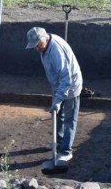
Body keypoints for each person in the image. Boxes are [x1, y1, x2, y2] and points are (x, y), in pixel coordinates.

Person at [25, 27, 82, 173]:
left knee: (69, 119)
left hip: (70, 87)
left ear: (45, 38)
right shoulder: (44, 47)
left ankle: (66, 151)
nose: (36, 48)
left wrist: (58, 99)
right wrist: (56, 97)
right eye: (34, 46)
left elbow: (66, 78)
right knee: (58, 114)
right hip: (58, 86)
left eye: (38, 44)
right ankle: (58, 142)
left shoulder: (56, 51)